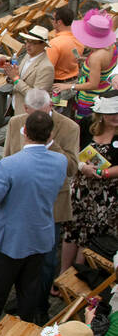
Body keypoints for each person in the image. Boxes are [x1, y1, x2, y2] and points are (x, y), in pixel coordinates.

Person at [0, 111, 68, 336]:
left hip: (7, 241)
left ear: (24, 133)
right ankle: (22, 332)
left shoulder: (10, 165)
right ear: (50, 135)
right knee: (28, 292)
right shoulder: (60, 161)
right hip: (40, 238)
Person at [4, 88, 79, 322]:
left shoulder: (69, 127)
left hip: (51, 204)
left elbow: (72, 167)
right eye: (33, 114)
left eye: (44, 114)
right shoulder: (15, 123)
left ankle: (41, 305)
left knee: (46, 259)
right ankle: (24, 299)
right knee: (19, 255)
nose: (39, 120)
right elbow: (7, 158)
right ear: (25, 110)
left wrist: (49, 142)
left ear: (51, 107)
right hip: (20, 203)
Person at [60, 96, 118, 273]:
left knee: (91, 235)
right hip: (81, 188)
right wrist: (82, 166)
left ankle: (78, 275)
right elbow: (72, 150)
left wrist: (103, 173)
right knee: (71, 231)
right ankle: (63, 273)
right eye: (111, 114)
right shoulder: (86, 124)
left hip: (106, 194)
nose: (116, 117)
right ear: (101, 114)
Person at [1, 26, 55, 116]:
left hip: (29, 115)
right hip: (16, 107)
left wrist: (15, 78)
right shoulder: (28, 55)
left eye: (33, 43)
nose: (28, 45)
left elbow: (36, 98)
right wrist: (11, 75)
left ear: (43, 45)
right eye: (27, 41)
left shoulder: (46, 67)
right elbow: (20, 78)